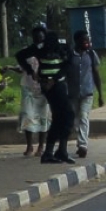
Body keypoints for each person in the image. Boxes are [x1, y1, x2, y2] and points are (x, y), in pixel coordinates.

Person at [18, 28, 75, 164]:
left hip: (57, 83)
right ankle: (55, 152)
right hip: (49, 86)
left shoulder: (61, 47)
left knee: (62, 117)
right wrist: (31, 71)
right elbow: (20, 56)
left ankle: (57, 151)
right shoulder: (39, 48)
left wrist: (54, 78)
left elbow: (68, 63)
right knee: (65, 115)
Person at [12, 24, 51, 157]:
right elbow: (20, 66)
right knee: (28, 116)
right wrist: (12, 68)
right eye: (35, 37)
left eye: (40, 37)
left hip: (44, 89)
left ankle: (41, 146)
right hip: (28, 88)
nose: (38, 40)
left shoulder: (49, 51)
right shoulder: (27, 51)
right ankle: (29, 146)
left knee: (43, 117)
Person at [67, 30, 103, 159]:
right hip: (72, 93)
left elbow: (96, 74)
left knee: (83, 116)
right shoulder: (70, 55)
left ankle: (82, 145)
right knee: (74, 119)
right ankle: (80, 140)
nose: (86, 43)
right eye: (84, 40)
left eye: (88, 40)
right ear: (76, 41)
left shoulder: (92, 55)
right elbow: (64, 73)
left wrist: (100, 95)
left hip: (87, 92)